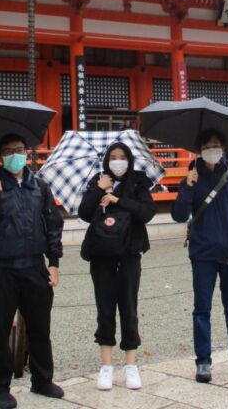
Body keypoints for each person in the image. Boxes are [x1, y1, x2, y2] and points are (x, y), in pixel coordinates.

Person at [0, 133, 65, 409]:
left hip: (34, 266)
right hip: (0, 268)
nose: (15, 155)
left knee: (39, 327)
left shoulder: (40, 187)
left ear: (27, 152)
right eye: (8, 151)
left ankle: (42, 379)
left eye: (19, 149)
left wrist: (54, 262)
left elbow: (52, 224)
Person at [171, 129, 228, 384]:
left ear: (223, 149)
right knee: (202, 309)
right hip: (203, 253)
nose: (213, 150)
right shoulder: (192, 178)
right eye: (208, 146)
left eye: (217, 146)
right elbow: (179, 215)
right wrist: (188, 187)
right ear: (200, 150)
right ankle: (203, 361)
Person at [77, 142, 156, 391]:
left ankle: (131, 365)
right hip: (102, 254)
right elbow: (83, 213)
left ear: (130, 159)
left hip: (130, 253)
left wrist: (117, 199)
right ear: (106, 160)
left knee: (129, 308)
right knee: (105, 308)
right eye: (113, 157)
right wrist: (97, 191)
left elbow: (146, 212)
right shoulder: (98, 180)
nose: (118, 161)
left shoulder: (139, 182)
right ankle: (106, 366)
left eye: (123, 157)